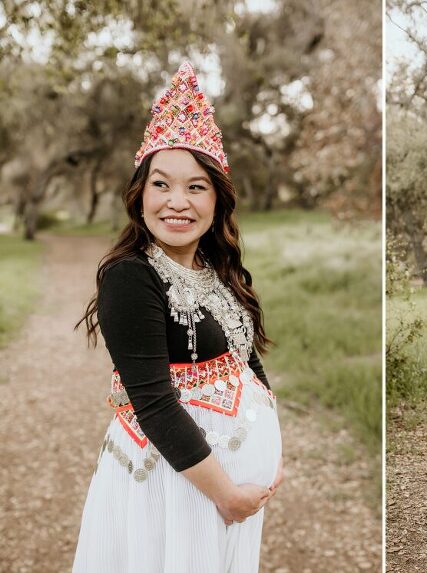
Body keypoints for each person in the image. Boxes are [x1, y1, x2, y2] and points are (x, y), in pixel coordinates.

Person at [72, 61, 283, 572]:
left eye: (195, 187)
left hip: (222, 485)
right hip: (177, 485)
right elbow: (155, 404)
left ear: (217, 199)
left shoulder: (217, 269)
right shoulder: (130, 277)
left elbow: (244, 358)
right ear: (140, 195)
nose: (176, 202)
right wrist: (227, 493)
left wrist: (273, 444)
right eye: (162, 185)